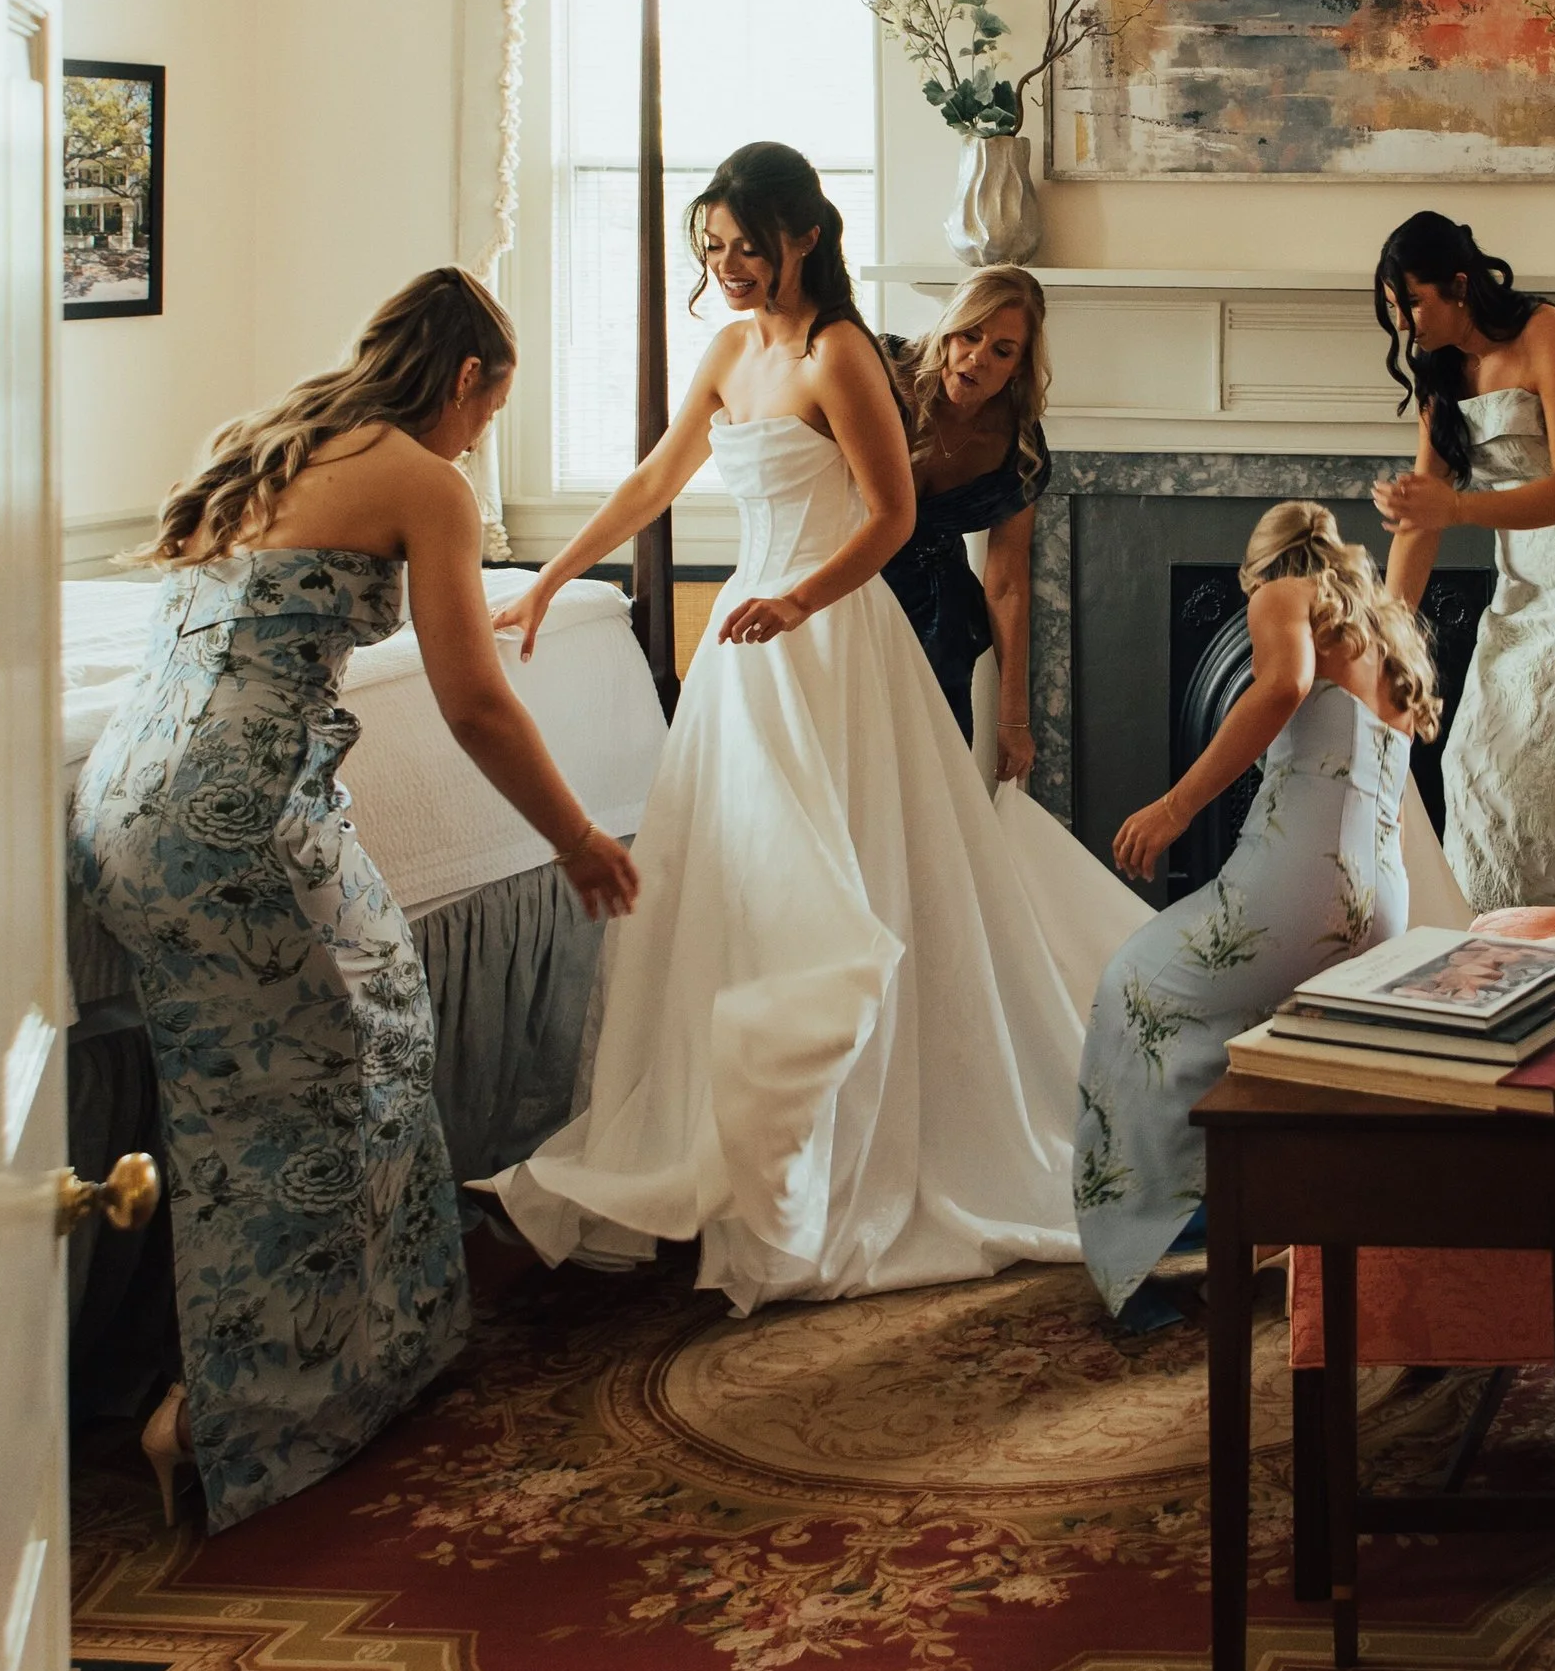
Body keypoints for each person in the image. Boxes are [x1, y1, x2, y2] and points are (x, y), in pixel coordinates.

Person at [481, 142, 1145, 1311]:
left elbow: (892, 517)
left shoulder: (843, 356)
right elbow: (652, 483)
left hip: (832, 644)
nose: (728, 267)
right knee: (731, 887)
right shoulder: (732, 348)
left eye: (745, 246)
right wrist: (547, 578)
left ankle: (837, 1156)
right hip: (744, 656)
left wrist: (799, 598)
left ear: (803, 235)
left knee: (835, 890)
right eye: (712, 250)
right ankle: (737, 1157)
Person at [68, 268, 639, 1533]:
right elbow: (475, 700)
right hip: (233, 819)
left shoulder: (263, 438)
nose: (478, 445)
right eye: (488, 418)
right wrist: (579, 835)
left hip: (126, 808)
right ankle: (235, 1417)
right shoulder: (421, 477)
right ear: (469, 380)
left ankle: (340, 1365)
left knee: (359, 1030)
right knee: (311, 1095)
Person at [1074, 501, 1441, 1334]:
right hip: (1383, 902)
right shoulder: (1388, 631)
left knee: (1132, 984)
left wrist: (1173, 808)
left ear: (1258, 568)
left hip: (1296, 892)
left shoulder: (1284, 591)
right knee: (1268, 1042)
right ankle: (1256, 1222)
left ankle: (1157, 1243)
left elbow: (1281, 684)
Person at [1369, 209, 1555, 913]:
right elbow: (1420, 524)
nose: (1407, 325)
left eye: (1414, 301)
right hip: (1528, 579)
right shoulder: (1441, 376)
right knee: (1474, 753)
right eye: (1395, 309)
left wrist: (1458, 509)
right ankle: (1496, 932)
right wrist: (1384, 642)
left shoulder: (1549, 336)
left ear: (1460, 284)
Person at [880, 266, 1051, 777]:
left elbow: (1006, 585)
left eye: (1002, 349)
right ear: (947, 329)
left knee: (931, 783)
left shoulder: (1019, 449)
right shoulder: (882, 373)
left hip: (937, 622)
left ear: (1018, 367)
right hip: (851, 591)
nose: (977, 357)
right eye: (969, 335)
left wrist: (1014, 718)